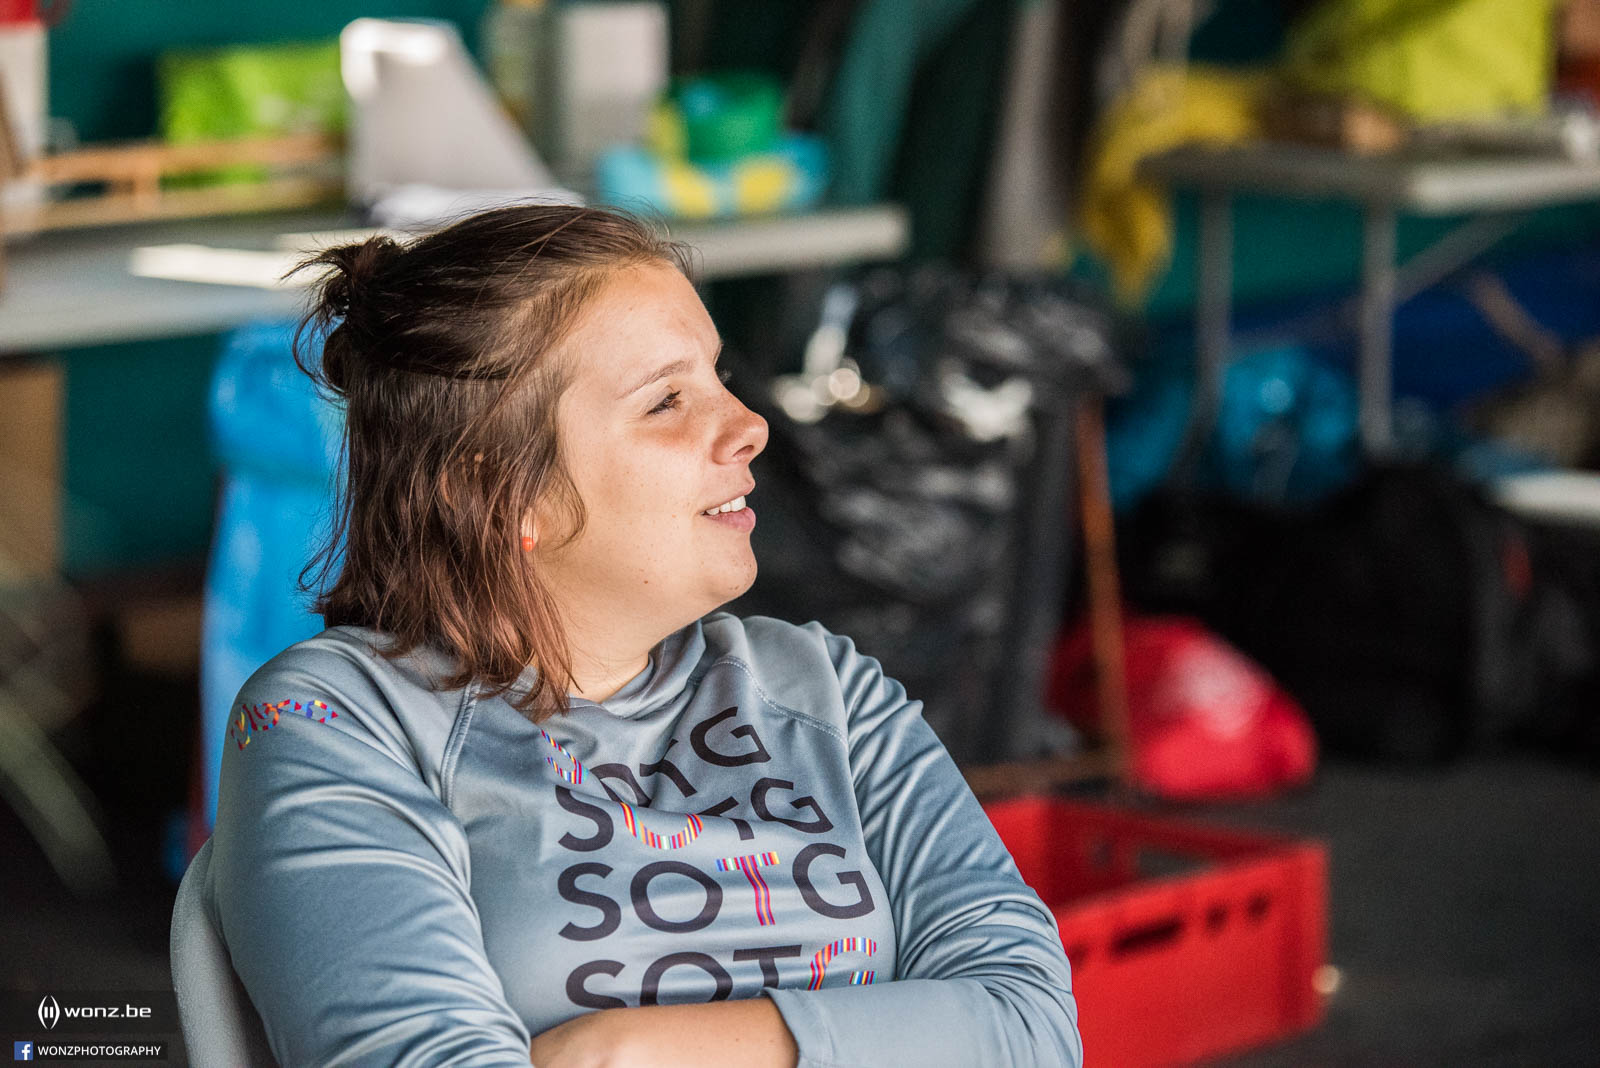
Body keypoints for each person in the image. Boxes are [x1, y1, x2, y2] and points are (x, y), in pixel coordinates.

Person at [201, 205, 1081, 1067]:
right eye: (667, 400)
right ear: (499, 496)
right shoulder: (335, 724)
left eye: (717, 376)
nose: (750, 424)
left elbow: (1031, 1026)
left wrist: (624, 1049)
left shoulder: (823, 687)